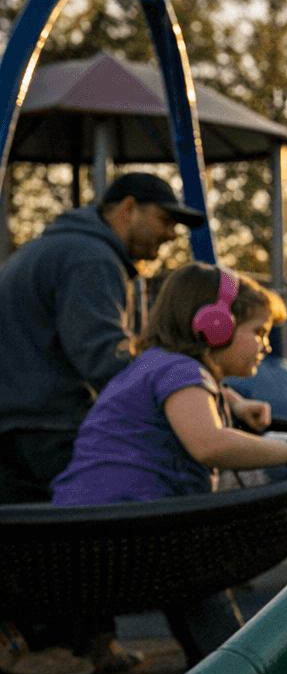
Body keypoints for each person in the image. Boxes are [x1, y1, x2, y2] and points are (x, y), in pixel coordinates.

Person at [50, 263, 287, 663]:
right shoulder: (181, 371)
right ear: (214, 327)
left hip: (92, 526)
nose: (266, 345)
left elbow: (192, 397)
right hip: (131, 525)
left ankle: (100, 646)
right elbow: (208, 444)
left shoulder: (157, 363)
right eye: (258, 332)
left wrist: (235, 402)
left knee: (187, 552)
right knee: (198, 564)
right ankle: (231, 669)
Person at [0, 172, 205, 503]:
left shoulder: (54, 247)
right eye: (165, 220)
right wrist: (185, 389)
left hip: (14, 427)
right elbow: (105, 358)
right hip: (46, 429)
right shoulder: (90, 258)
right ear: (129, 209)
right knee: (143, 495)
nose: (171, 233)